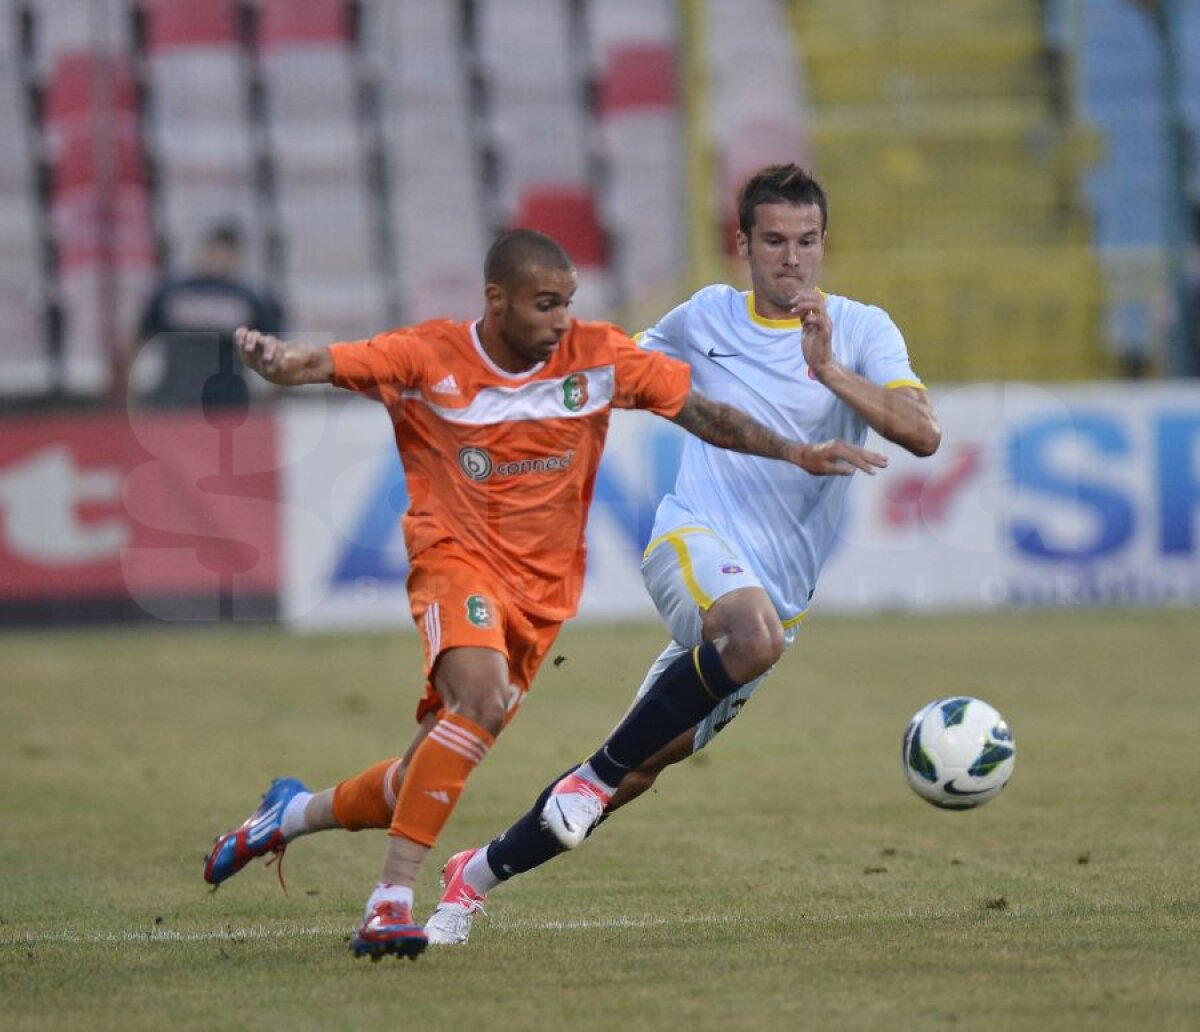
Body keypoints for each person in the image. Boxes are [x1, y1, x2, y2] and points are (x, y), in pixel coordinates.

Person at [204, 227, 887, 962]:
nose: (561, 319)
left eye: (567, 303)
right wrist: (278, 363)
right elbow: (326, 362)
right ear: (495, 302)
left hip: (541, 600)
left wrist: (794, 450)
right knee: (482, 701)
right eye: (544, 304)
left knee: (419, 774)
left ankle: (288, 815)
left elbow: (704, 414)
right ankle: (390, 901)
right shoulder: (429, 355)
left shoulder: (595, 356)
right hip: (454, 561)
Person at [419, 164, 942, 946]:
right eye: (773, 241)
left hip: (776, 603)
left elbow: (923, 432)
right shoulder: (705, 318)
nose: (790, 259)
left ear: (823, 244)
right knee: (745, 644)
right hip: (692, 541)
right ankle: (589, 781)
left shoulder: (863, 331)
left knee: (633, 772)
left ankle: (476, 875)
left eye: (805, 242)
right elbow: (608, 367)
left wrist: (829, 371)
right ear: (743, 245)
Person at [127, 220, 283, 410]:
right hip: (177, 402)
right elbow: (138, 341)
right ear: (204, 251)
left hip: (225, 404)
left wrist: (267, 399)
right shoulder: (173, 293)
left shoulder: (251, 299)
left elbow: (276, 356)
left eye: (227, 253)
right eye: (217, 251)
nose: (221, 259)